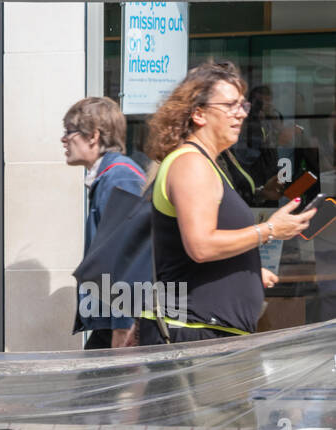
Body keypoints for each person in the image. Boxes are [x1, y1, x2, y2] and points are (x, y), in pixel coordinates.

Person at [140, 62, 314, 344]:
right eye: (230, 106)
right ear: (198, 113)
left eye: (242, 106)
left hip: (209, 332)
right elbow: (200, 246)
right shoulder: (191, 164)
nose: (241, 115)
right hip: (195, 334)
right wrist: (269, 230)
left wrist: (245, 271)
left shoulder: (205, 162)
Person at [62, 97, 147, 349]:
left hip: (119, 324)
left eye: (69, 132)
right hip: (109, 319)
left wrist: (123, 328)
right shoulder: (111, 177)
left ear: (93, 137)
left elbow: (129, 260)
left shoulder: (120, 178)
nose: (63, 139)